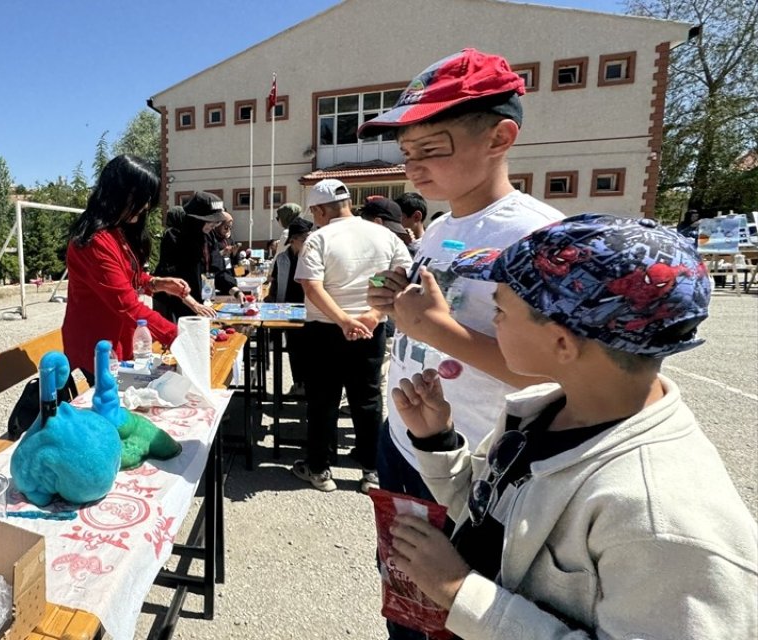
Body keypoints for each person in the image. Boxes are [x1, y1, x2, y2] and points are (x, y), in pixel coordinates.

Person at [389, 214, 757, 638]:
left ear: (561, 342)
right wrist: (438, 441)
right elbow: (493, 516)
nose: (494, 322)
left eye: (500, 310)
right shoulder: (542, 414)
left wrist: (458, 592)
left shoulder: (665, 519)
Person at [362, 48, 564, 639]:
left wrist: (435, 329)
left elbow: (556, 372)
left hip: (474, 462)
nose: (414, 169)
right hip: (407, 440)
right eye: (407, 154)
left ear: (500, 137)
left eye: (432, 149)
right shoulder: (444, 228)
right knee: (407, 594)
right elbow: (431, 315)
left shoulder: (538, 235)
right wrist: (395, 306)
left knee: (458, 612)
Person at [292, 179, 411, 492]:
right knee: (368, 400)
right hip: (371, 326)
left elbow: (311, 285)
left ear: (319, 209)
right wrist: (373, 315)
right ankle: (372, 471)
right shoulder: (384, 235)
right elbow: (400, 276)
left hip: (324, 328)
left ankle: (319, 469)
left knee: (322, 401)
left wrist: (344, 320)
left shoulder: (319, 238)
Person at [62, 155, 184, 379]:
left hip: (117, 344)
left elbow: (125, 277)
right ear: (120, 193)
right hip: (99, 350)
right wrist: (178, 336)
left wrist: (156, 283)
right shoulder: (95, 242)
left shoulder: (115, 231)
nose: (146, 206)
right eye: (142, 198)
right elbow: (126, 304)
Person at [152, 194, 227, 322]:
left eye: (217, 222)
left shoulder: (208, 236)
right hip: (174, 303)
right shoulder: (174, 236)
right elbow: (170, 278)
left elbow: (217, 267)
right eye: (211, 221)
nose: (214, 225)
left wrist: (234, 290)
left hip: (198, 302)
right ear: (197, 219)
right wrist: (194, 305)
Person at [264, 217, 313, 394]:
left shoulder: (312, 258)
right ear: (292, 239)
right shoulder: (282, 259)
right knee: (293, 348)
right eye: (304, 238)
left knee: (309, 350)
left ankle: (309, 384)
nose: (308, 242)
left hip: (310, 310)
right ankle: (298, 382)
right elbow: (275, 284)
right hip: (287, 310)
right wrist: (270, 301)